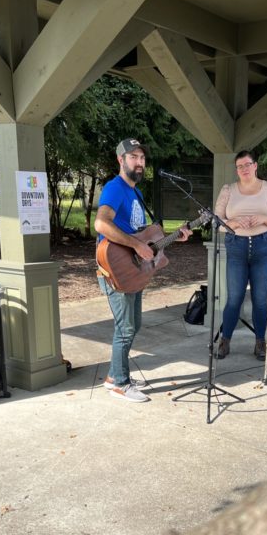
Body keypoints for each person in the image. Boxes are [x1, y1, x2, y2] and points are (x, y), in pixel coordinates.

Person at [95, 138, 191, 402]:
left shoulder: (135, 192)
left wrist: (173, 237)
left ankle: (115, 374)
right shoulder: (115, 188)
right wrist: (136, 245)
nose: (140, 162)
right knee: (125, 328)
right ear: (121, 160)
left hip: (132, 268)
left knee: (133, 325)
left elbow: (144, 235)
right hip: (117, 267)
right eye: (133, 157)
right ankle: (120, 384)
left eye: (142, 158)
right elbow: (101, 224)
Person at [214, 150, 267, 360]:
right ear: (236, 170)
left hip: (263, 247)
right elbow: (216, 221)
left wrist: (265, 219)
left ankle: (260, 343)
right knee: (234, 298)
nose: (244, 169)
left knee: (260, 299)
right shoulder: (228, 190)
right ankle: (225, 341)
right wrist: (235, 223)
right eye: (240, 166)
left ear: (255, 166)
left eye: (247, 164)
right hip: (236, 246)